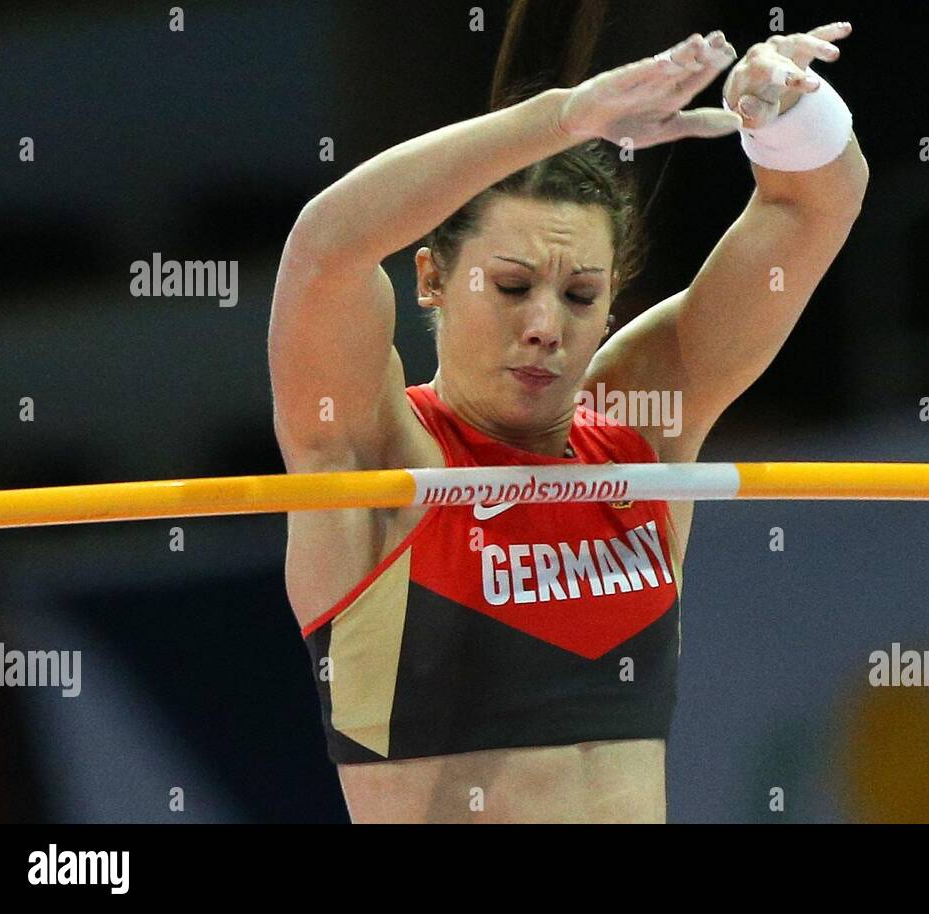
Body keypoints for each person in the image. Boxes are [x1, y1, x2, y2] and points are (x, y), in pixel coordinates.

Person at [268, 0, 868, 823]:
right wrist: (563, 118)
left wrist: (787, 110)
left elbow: (810, 208)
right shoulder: (375, 458)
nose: (546, 326)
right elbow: (326, 249)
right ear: (432, 280)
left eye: (581, 295)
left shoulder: (642, 430)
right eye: (512, 287)